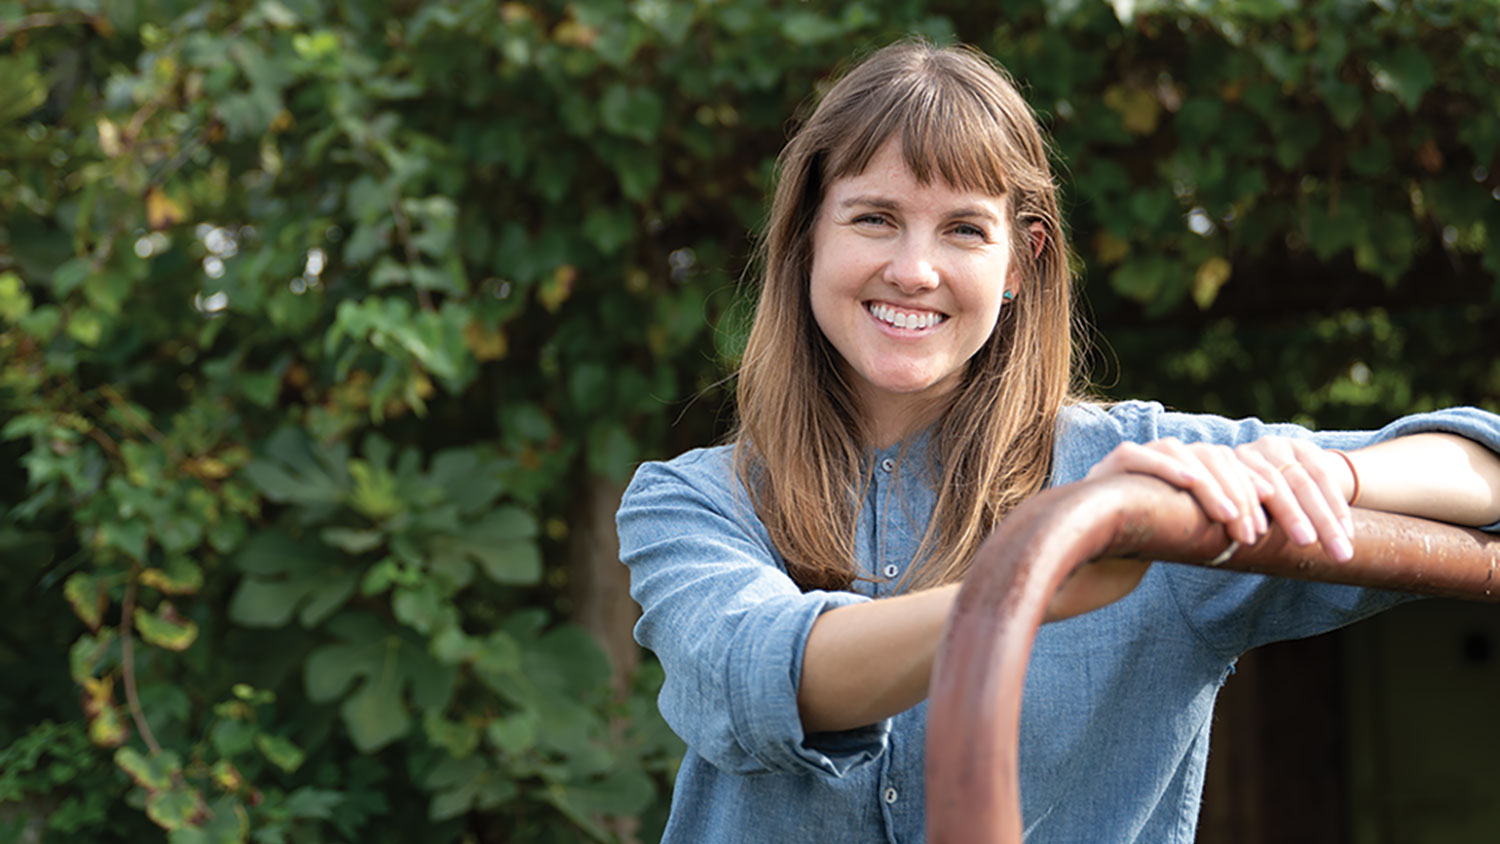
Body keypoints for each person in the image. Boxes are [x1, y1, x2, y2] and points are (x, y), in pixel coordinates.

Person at [615, 39, 1500, 843]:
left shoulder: (1147, 480)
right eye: (875, 218)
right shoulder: (692, 501)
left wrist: (1330, 474)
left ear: (1020, 264)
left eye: (964, 229)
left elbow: (1485, 465)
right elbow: (759, 672)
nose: (914, 269)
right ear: (808, 237)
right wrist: (1043, 579)